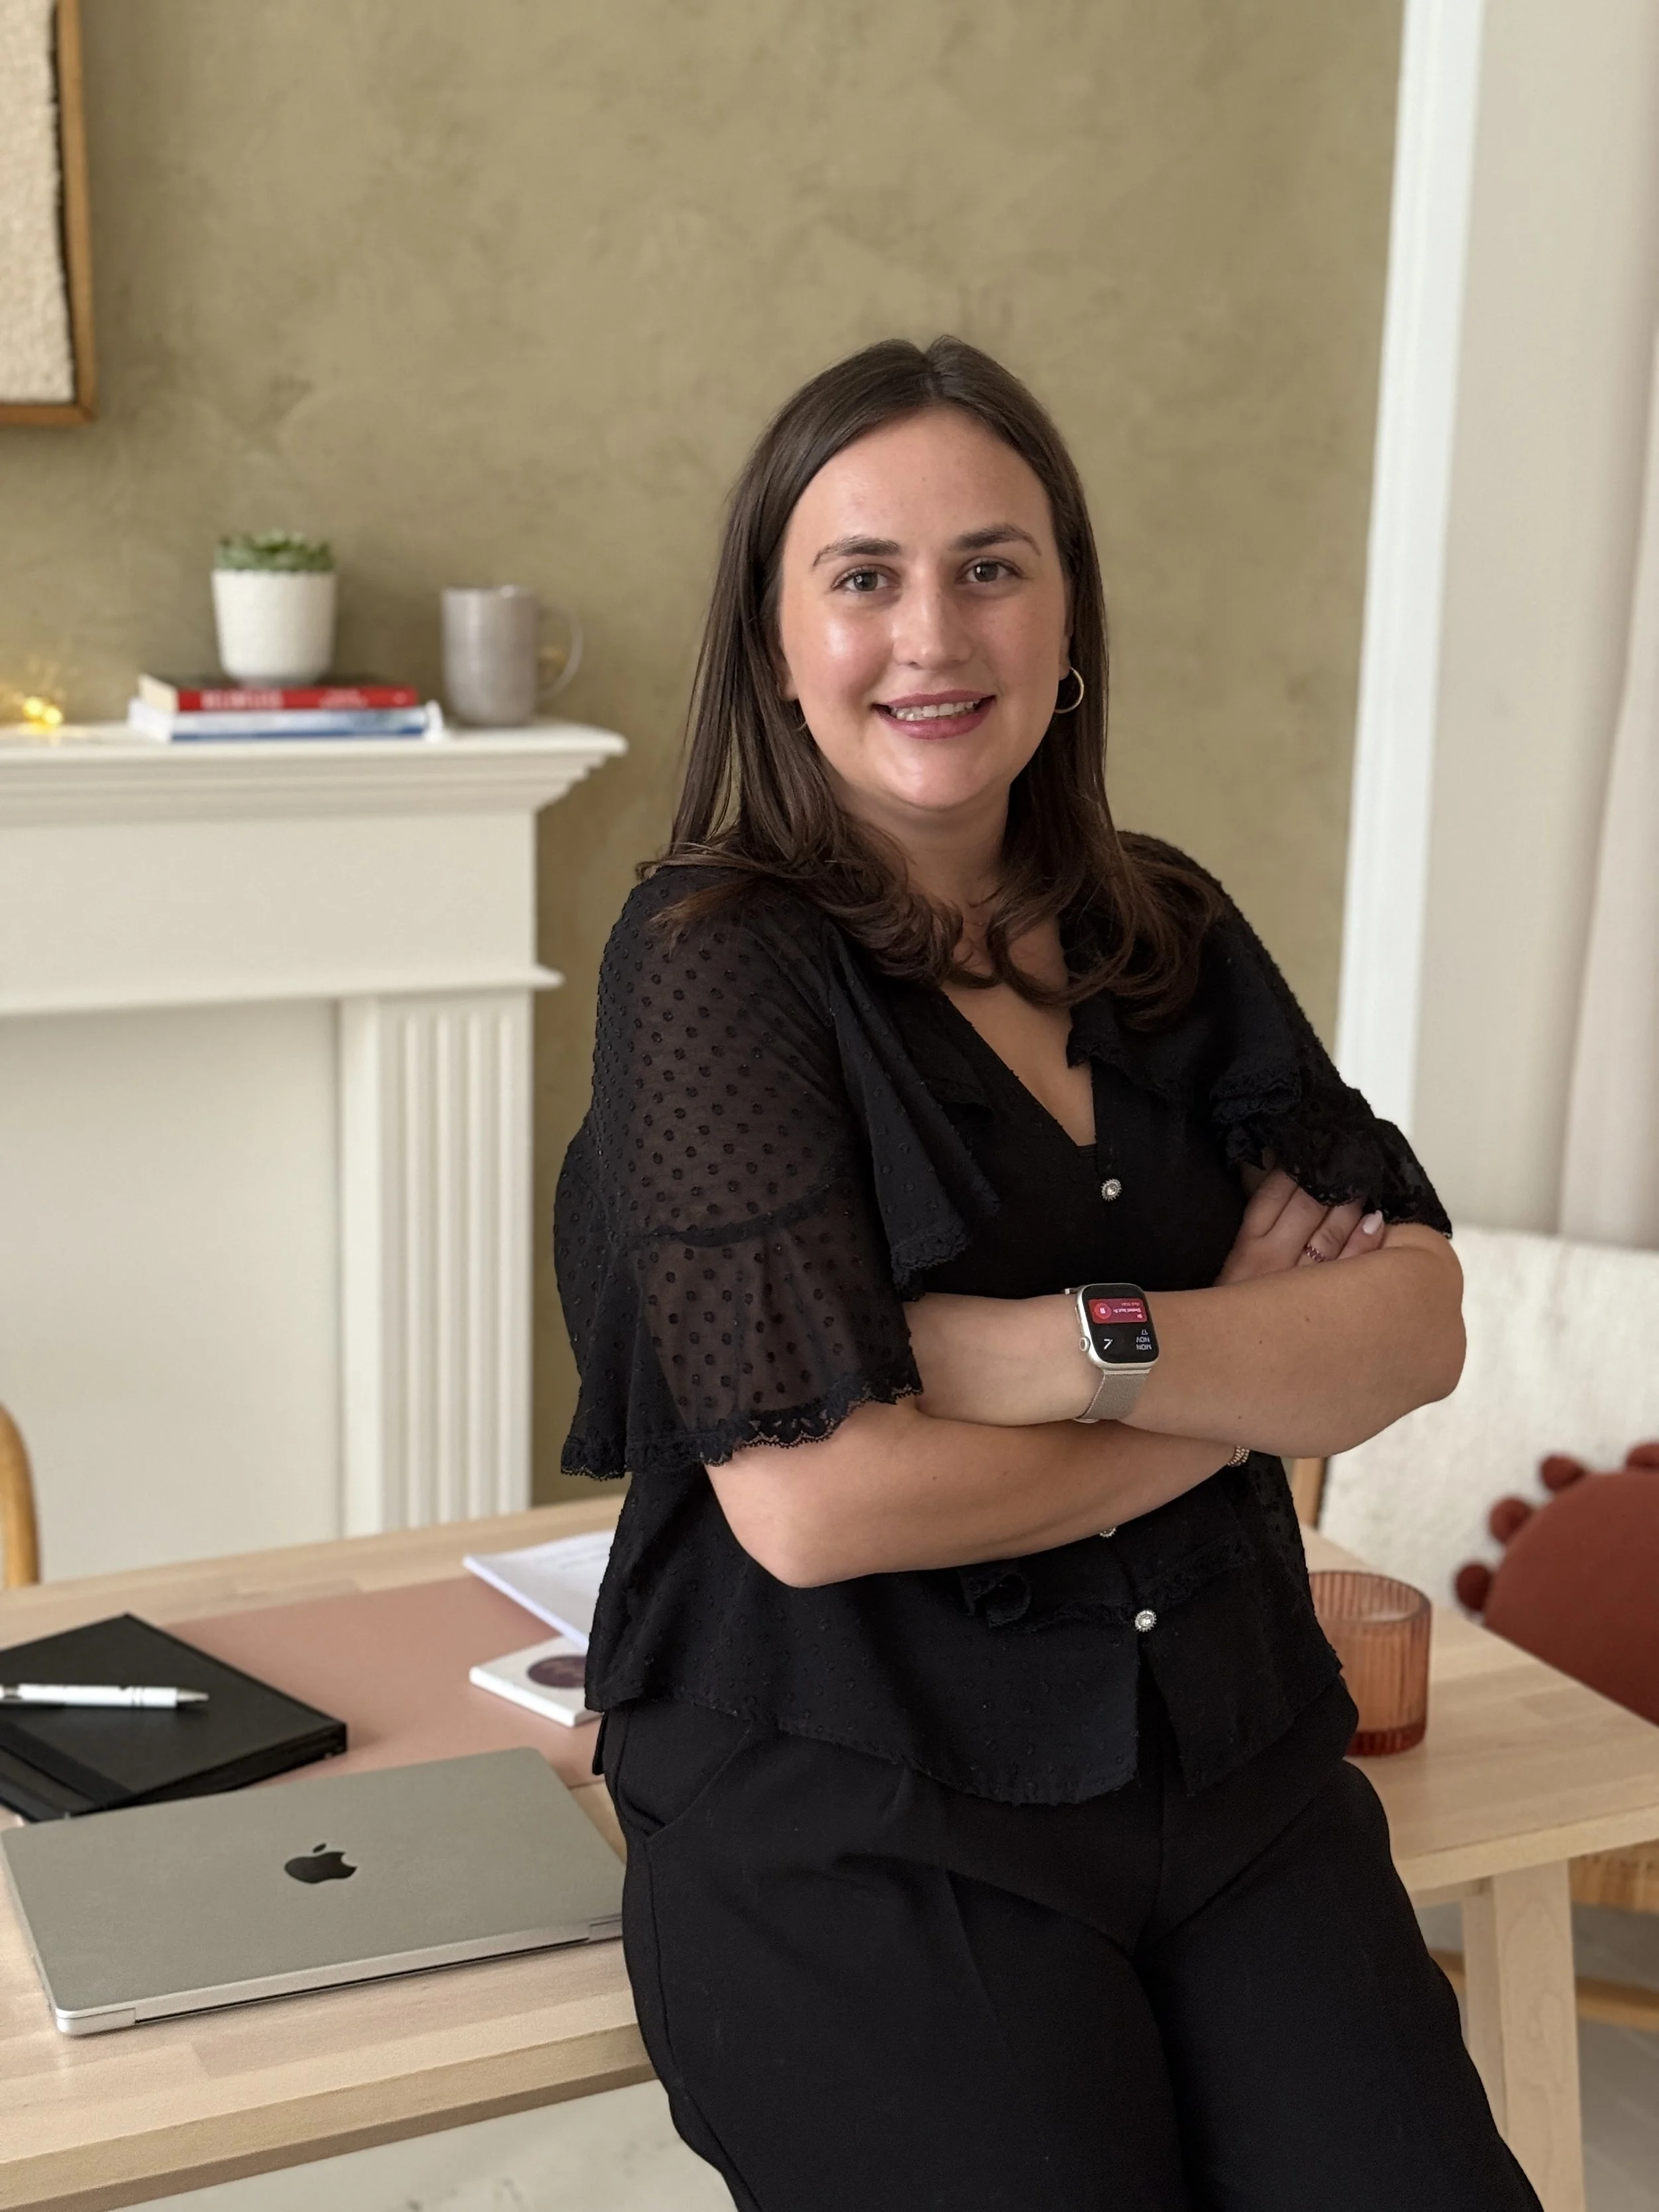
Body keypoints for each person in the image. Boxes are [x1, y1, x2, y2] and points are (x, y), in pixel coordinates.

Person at [555, 336, 1540, 2212]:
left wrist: (1045, 1354)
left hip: (1231, 1771)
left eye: (988, 566)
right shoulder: (710, 955)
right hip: (860, 1805)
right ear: (777, 641)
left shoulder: (1159, 924)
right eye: (863, 578)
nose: (931, 634)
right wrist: (1237, 1380)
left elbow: (1414, 1321)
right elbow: (821, 1506)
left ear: (1065, 613)